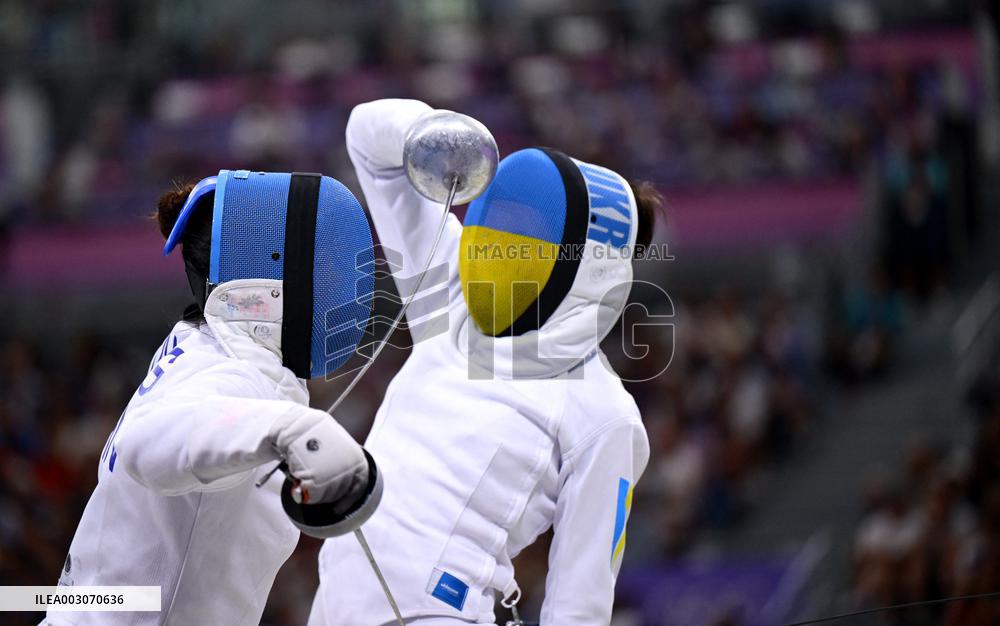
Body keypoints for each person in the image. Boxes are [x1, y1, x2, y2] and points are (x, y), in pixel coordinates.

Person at [309, 100, 660, 625]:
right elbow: (367, 136)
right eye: (501, 222)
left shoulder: (603, 412)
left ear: (581, 268)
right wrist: (431, 133)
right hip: (334, 606)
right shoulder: (450, 289)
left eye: (526, 235)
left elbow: (580, 606)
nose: (500, 245)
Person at [44, 171, 381, 625]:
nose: (348, 289)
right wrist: (294, 430)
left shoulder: (202, 341)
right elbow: (148, 443)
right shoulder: (235, 376)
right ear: (275, 276)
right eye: (330, 271)